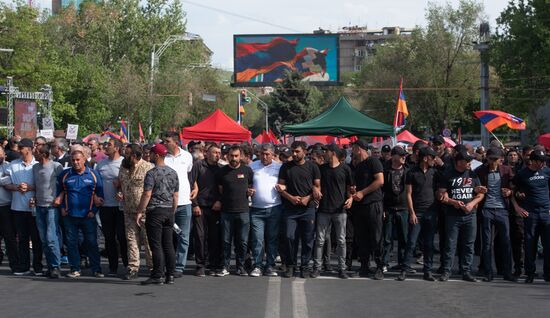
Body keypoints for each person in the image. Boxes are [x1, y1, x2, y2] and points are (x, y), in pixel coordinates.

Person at [276, 141, 321, 278]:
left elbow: (317, 187)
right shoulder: (285, 167)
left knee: (308, 239)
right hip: (290, 209)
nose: (294, 154)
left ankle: (305, 266)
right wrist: (290, 197)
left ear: (305, 152)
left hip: (308, 209)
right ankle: (290, 265)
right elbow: (280, 187)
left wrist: (308, 198)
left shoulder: (313, 167)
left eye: (297, 151)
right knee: (289, 237)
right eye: (293, 151)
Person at [57, 150, 105, 278]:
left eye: (78, 160)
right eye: (73, 160)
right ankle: (75, 269)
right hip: (70, 216)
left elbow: (100, 196)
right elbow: (59, 193)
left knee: (92, 243)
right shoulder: (65, 174)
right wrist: (62, 207)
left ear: (84, 159)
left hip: (88, 216)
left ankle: (97, 269)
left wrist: (93, 211)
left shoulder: (93, 174)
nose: (76, 162)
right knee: (71, 243)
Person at [438, 151, 484, 282]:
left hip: (470, 215)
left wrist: (472, 204)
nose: (470, 163)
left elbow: (480, 194)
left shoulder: (473, 175)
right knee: (450, 244)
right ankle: (446, 271)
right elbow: (441, 195)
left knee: (469, 244)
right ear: (459, 162)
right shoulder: (448, 174)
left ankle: (466, 271)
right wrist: (453, 202)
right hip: (453, 215)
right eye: (467, 160)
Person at [137, 144, 179, 285]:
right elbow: (176, 195)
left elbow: (147, 193)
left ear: (156, 155)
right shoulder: (173, 172)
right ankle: (170, 275)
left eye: (151, 154)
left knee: (156, 244)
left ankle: (157, 274)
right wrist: (172, 211)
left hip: (155, 211)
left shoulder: (152, 173)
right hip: (168, 210)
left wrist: (140, 211)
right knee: (168, 244)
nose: (149, 156)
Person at [474, 147, 516, 282]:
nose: (493, 161)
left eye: (495, 159)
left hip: (502, 210)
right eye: (490, 158)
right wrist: (477, 189)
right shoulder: (480, 171)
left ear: (500, 159)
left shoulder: (507, 170)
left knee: (506, 242)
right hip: (487, 210)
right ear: (486, 158)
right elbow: (473, 186)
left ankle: (507, 272)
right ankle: (488, 272)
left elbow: (515, 186)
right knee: (487, 243)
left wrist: (509, 192)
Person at [312, 144, 354, 279]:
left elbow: (351, 187)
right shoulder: (321, 169)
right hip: (323, 209)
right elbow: (314, 183)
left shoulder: (345, 169)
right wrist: (316, 189)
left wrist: (351, 198)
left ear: (333, 153)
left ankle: (342, 268)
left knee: (341, 240)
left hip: (340, 210)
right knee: (319, 240)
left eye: (326, 151)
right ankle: (317, 267)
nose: (324, 153)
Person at [399, 146, 438, 281]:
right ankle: (404, 269)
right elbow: (408, 194)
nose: (435, 159)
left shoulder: (435, 172)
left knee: (429, 243)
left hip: (431, 213)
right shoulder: (412, 172)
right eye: (433, 157)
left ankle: (428, 271)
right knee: (411, 242)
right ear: (426, 158)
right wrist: (412, 213)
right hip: (417, 213)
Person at [5, 138, 42, 276]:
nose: (19, 150)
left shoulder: (37, 165)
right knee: (22, 238)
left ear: (29, 148)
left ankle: (38, 266)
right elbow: (6, 184)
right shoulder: (13, 165)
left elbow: (43, 185)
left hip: (34, 207)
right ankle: (24, 266)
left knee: (36, 238)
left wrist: (31, 188)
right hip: (18, 207)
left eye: (21, 147)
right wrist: (16, 187)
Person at [511, 149, 550, 283]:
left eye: (544, 161)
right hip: (531, 214)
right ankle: (530, 273)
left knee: (548, 245)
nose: (543, 164)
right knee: (530, 245)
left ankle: (548, 274)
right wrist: (517, 207)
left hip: (546, 213)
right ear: (533, 161)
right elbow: (512, 191)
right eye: (540, 161)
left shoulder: (547, 171)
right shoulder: (522, 174)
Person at [216, 145, 254, 276]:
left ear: (241, 156)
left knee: (242, 242)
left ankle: (240, 267)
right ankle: (225, 266)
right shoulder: (222, 171)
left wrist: (251, 192)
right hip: (226, 212)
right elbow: (220, 191)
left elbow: (251, 187)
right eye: (231, 156)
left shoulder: (247, 170)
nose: (233, 158)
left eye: (236, 156)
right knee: (226, 241)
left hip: (243, 211)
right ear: (227, 156)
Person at [118, 143, 154, 280]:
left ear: (134, 155)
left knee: (148, 240)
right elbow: (121, 183)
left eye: (127, 154)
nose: (124, 156)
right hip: (128, 209)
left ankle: (152, 267)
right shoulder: (123, 167)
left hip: (145, 211)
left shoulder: (148, 168)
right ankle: (133, 268)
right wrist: (120, 192)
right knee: (131, 240)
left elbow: (152, 190)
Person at [351, 140, 385, 279]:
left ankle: (380, 267)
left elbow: (379, 181)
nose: (351, 152)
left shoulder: (373, 162)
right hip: (360, 206)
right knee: (361, 237)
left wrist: (362, 192)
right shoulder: (357, 165)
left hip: (373, 204)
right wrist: (354, 190)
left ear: (359, 149)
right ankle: (364, 266)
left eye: (353, 149)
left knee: (376, 237)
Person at [163, 132, 194, 278]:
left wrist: (195, 187)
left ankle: (179, 267)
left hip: (184, 202)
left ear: (176, 142)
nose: (165, 143)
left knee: (183, 236)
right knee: (167, 236)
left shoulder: (187, 156)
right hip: (166, 203)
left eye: (167, 141)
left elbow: (189, 175)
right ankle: (168, 265)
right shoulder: (163, 157)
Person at [249, 143, 282, 277]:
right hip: (256, 209)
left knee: (272, 238)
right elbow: (247, 183)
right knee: (257, 239)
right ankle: (257, 265)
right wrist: (248, 190)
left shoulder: (279, 168)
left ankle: (270, 265)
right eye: (262, 153)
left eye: (267, 154)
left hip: (274, 208)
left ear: (273, 155)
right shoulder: (252, 167)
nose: (264, 156)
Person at [190, 143, 223, 277]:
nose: (217, 155)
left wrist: (220, 201)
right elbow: (191, 184)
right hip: (201, 207)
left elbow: (224, 188)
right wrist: (195, 204)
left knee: (214, 237)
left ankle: (213, 264)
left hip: (216, 207)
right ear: (206, 153)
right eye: (215, 152)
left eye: (219, 153)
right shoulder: (198, 165)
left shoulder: (221, 168)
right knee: (200, 236)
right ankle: (200, 265)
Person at [96, 138, 127, 276]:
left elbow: (131, 182)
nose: (105, 147)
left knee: (122, 236)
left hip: (121, 206)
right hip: (105, 206)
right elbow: (95, 183)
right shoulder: (100, 164)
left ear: (117, 148)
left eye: (109, 145)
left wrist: (121, 185)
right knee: (109, 237)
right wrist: (96, 197)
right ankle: (112, 267)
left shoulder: (124, 163)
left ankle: (127, 264)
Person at [32, 144, 64, 278]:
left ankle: (56, 266)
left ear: (43, 154)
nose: (34, 153)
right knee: (44, 239)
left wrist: (59, 197)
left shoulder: (56, 166)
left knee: (51, 238)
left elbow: (64, 185)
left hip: (51, 207)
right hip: (39, 206)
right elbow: (36, 185)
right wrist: (33, 197)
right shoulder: (35, 167)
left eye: (36, 151)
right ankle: (50, 266)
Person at [382, 146, 409, 273]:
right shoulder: (386, 171)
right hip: (389, 208)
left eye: (404, 155)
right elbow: (381, 191)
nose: (404, 157)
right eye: (401, 155)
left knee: (403, 237)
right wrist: (382, 208)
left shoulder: (407, 171)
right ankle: (384, 262)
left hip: (403, 208)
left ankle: (402, 262)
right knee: (387, 238)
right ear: (393, 156)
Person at [0, 146, 18, 273]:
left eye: (0, 153)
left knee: (9, 237)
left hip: (6, 207)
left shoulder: (9, 166)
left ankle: (14, 263)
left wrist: (4, 182)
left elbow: (9, 182)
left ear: (4, 154)